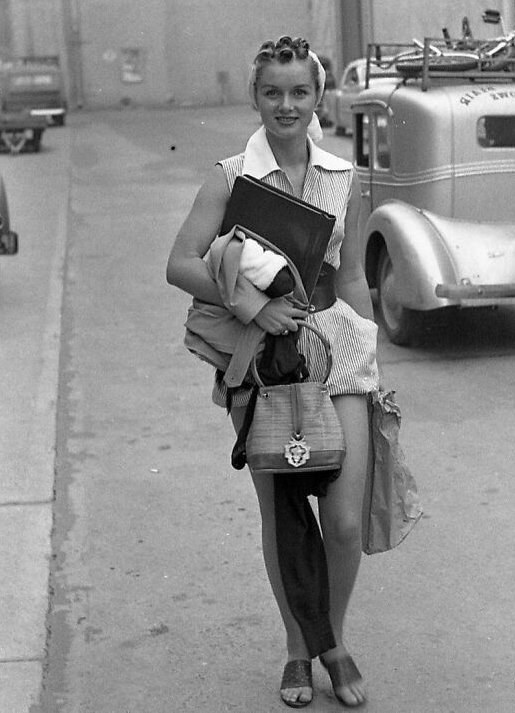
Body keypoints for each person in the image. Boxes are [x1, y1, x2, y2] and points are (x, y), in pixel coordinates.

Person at [166, 35, 379, 708]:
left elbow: (351, 279)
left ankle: (331, 640)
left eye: (299, 92)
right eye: (272, 92)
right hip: (262, 361)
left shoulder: (346, 178)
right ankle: (298, 651)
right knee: (284, 512)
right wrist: (251, 304)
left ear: (319, 97)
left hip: (338, 348)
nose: (286, 105)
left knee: (343, 521)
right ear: (255, 97)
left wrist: (379, 364)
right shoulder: (231, 177)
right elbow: (180, 263)